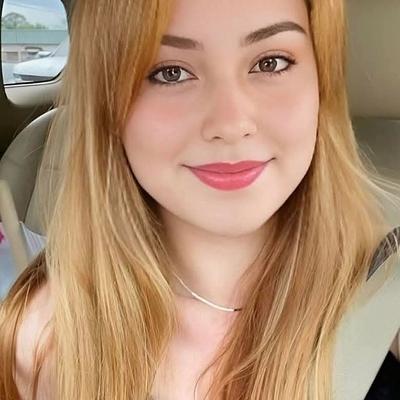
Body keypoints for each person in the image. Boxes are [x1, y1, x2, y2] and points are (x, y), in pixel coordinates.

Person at [0, 0, 399, 399]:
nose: (231, 123)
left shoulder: (388, 302)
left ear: (322, 83)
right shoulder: (43, 341)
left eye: (271, 63)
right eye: (170, 72)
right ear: (108, 106)